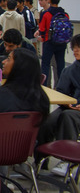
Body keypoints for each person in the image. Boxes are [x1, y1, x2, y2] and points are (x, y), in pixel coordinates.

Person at [37, 35, 80, 176]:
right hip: (68, 106)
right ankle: (40, 159)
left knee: (68, 117)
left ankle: (67, 161)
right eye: (74, 47)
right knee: (46, 121)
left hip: (74, 112)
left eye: (78, 48)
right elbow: (61, 91)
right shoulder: (70, 70)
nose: (75, 50)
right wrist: (66, 101)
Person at [35, 0, 70, 86]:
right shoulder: (65, 14)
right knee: (60, 64)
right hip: (62, 42)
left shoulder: (46, 14)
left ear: (49, 1)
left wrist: (41, 37)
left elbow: (42, 29)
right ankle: (61, 86)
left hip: (49, 42)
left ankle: (44, 85)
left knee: (45, 64)